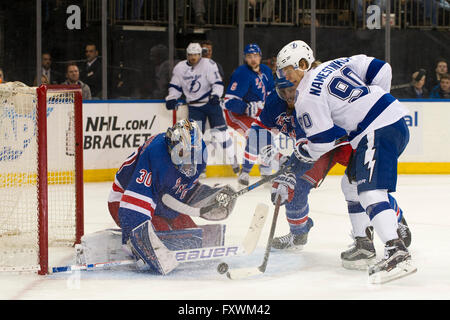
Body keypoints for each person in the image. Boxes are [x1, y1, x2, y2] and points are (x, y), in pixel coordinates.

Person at [274, 40, 416, 283]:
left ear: (304, 64)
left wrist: (303, 152)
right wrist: (375, 101)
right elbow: (382, 69)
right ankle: (363, 243)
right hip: (392, 122)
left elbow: (323, 143)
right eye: (283, 72)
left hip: (376, 130)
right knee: (350, 185)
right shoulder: (337, 63)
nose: (286, 76)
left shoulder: (307, 95)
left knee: (371, 192)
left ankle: (396, 251)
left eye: (289, 70)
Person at [107, 119, 235, 274]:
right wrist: (138, 241)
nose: (187, 159)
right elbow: (133, 206)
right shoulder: (154, 154)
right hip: (124, 198)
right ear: (171, 147)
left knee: (192, 240)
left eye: (191, 154)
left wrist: (210, 198)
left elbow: (183, 189)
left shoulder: (201, 153)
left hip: (161, 198)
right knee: (163, 240)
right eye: (181, 153)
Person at [165, 43, 237, 173]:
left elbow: (217, 83)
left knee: (221, 134)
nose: (193, 57)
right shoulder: (180, 68)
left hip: (211, 104)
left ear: (200, 54)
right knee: (195, 138)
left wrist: (216, 95)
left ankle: (233, 160)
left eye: (196, 55)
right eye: (191, 55)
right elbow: (175, 86)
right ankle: (199, 167)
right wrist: (171, 98)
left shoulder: (208, 64)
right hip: (194, 107)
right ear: (187, 55)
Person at [223, 43, 275, 185]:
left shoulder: (266, 70)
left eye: (255, 56)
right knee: (255, 135)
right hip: (236, 114)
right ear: (245, 58)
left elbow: (271, 93)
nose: (253, 59)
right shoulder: (241, 73)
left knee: (267, 137)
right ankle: (245, 172)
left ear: (260, 57)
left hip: (256, 114)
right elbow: (228, 101)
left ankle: (266, 173)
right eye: (249, 56)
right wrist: (246, 108)